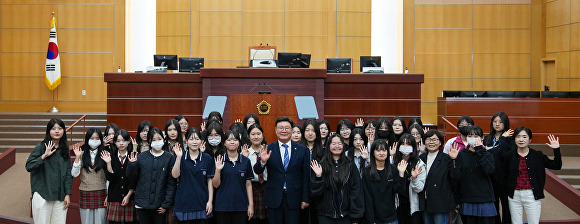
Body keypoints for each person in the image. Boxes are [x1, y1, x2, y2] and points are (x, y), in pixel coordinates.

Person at [254, 116, 311, 224]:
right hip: (274, 197)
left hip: (295, 198)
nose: (284, 130)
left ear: (291, 130)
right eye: (281, 128)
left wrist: (305, 198)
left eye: (287, 128)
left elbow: (306, 176)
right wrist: (262, 161)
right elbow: (257, 170)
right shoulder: (268, 148)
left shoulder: (302, 150)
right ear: (275, 130)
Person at [504, 127, 562, 224]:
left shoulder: (538, 155)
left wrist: (556, 150)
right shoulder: (508, 156)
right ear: (514, 139)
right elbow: (504, 175)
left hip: (531, 195)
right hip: (514, 196)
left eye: (524, 137)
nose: (521, 139)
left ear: (530, 140)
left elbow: (556, 166)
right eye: (518, 137)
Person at [26, 118, 73, 224]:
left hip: (60, 196)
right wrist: (44, 156)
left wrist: (68, 194)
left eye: (60, 128)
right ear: (48, 131)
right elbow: (29, 166)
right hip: (43, 194)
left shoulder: (65, 149)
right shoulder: (41, 147)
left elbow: (68, 173)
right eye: (53, 128)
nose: (57, 131)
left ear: (63, 131)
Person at [310, 134, 364, 224]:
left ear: (343, 145)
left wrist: (355, 216)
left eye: (339, 143)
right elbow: (315, 193)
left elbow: (356, 191)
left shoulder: (350, 165)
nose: (337, 146)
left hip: (346, 214)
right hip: (325, 214)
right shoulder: (321, 165)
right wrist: (318, 177)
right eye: (334, 143)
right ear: (328, 146)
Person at [127, 127, 177, 224]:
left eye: (159, 139)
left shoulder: (169, 157)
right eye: (153, 140)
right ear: (149, 141)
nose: (157, 142)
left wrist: (166, 204)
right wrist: (132, 165)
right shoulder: (141, 157)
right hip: (142, 204)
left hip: (160, 205)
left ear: (164, 139)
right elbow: (131, 178)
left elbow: (171, 183)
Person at [449, 125, 496, 224]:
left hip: (485, 198)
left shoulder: (487, 154)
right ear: (466, 138)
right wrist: (454, 160)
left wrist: (479, 150)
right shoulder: (461, 154)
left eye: (476, 136)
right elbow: (455, 177)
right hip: (467, 198)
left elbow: (489, 170)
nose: (473, 138)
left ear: (482, 138)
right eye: (470, 136)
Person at [172, 128, 215, 224]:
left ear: (201, 141)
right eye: (191, 139)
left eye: (197, 139)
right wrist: (178, 158)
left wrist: (210, 201)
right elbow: (175, 175)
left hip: (202, 202)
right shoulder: (181, 156)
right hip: (184, 203)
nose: (194, 142)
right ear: (186, 141)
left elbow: (209, 181)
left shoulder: (207, 158)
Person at [212, 130, 254, 224]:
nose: (232, 142)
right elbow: (215, 185)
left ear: (239, 143)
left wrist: (250, 205)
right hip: (222, 206)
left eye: (235, 140)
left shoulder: (246, 161)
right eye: (229, 140)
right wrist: (218, 170)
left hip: (241, 206)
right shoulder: (219, 160)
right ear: (224, 143)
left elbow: (248, 184)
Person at [71, 127, 111, 224]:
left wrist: (108, 195)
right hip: (85, 192)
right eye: (91, 138)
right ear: (87, 139)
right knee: (86, 221)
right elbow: (74, 174)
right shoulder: (82, 154)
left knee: (101, 221)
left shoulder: (105, 154)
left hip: (101, 192)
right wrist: (77, 157)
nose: (94, 141)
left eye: (97, 138)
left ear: (101, 140)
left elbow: (110, 177)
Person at [363, 139, 406, 224]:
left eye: (384, 150)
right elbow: (367, 198)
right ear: (373, 153)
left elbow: (399, 191)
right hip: (375, 219)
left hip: (391, 218)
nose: (381, 153)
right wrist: (371, 220)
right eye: (378, 150)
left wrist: (401, 174)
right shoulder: (367, 172)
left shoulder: (393, 169)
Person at [482, 112, 514, 224]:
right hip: (491, 178)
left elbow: (506, 155)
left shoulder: (510, 139)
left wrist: (502, 140)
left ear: (505, 123)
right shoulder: (487, 138)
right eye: (495, 121)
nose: (497, 124)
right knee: (493, 207)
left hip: (505, 177)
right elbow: (486, 154)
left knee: (507, 207)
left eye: (500, 122)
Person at [419, 130, 455, 224]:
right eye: (428, 139)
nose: (431, 142)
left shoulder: (446, 158)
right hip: (425, 202)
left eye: (434, 140)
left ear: (440, 143)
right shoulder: (421, 158)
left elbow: (454, 177)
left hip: (440, 203)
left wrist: (454, 160)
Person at [392, 133, 426, 224]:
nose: (405, 146)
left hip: (413, 205)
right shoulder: (392, 161)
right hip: (396, 204)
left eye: (409, 144)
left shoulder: (419, 163)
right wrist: (400, 174)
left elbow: (419, 188)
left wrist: (414, 178)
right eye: (403, 144)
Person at [105, 129, 137, 224]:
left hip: (130, 198)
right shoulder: (111, 156)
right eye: (118, 141)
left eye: (124, 140)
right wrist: (108, 164)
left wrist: (128, 195)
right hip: (114, 197)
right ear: (114, 142)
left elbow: (135, 178)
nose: (121, 143)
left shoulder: (134, 156)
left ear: (129, 141)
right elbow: (110, 178)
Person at [244, 124, 268, 224]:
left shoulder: (269, 151)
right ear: (248, 137)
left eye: (258, 134)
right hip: (251, 188)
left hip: (266, 188)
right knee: (251, 219)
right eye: (253, 134)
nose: (256, 136)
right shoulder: (245, 153)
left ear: (262, 135)